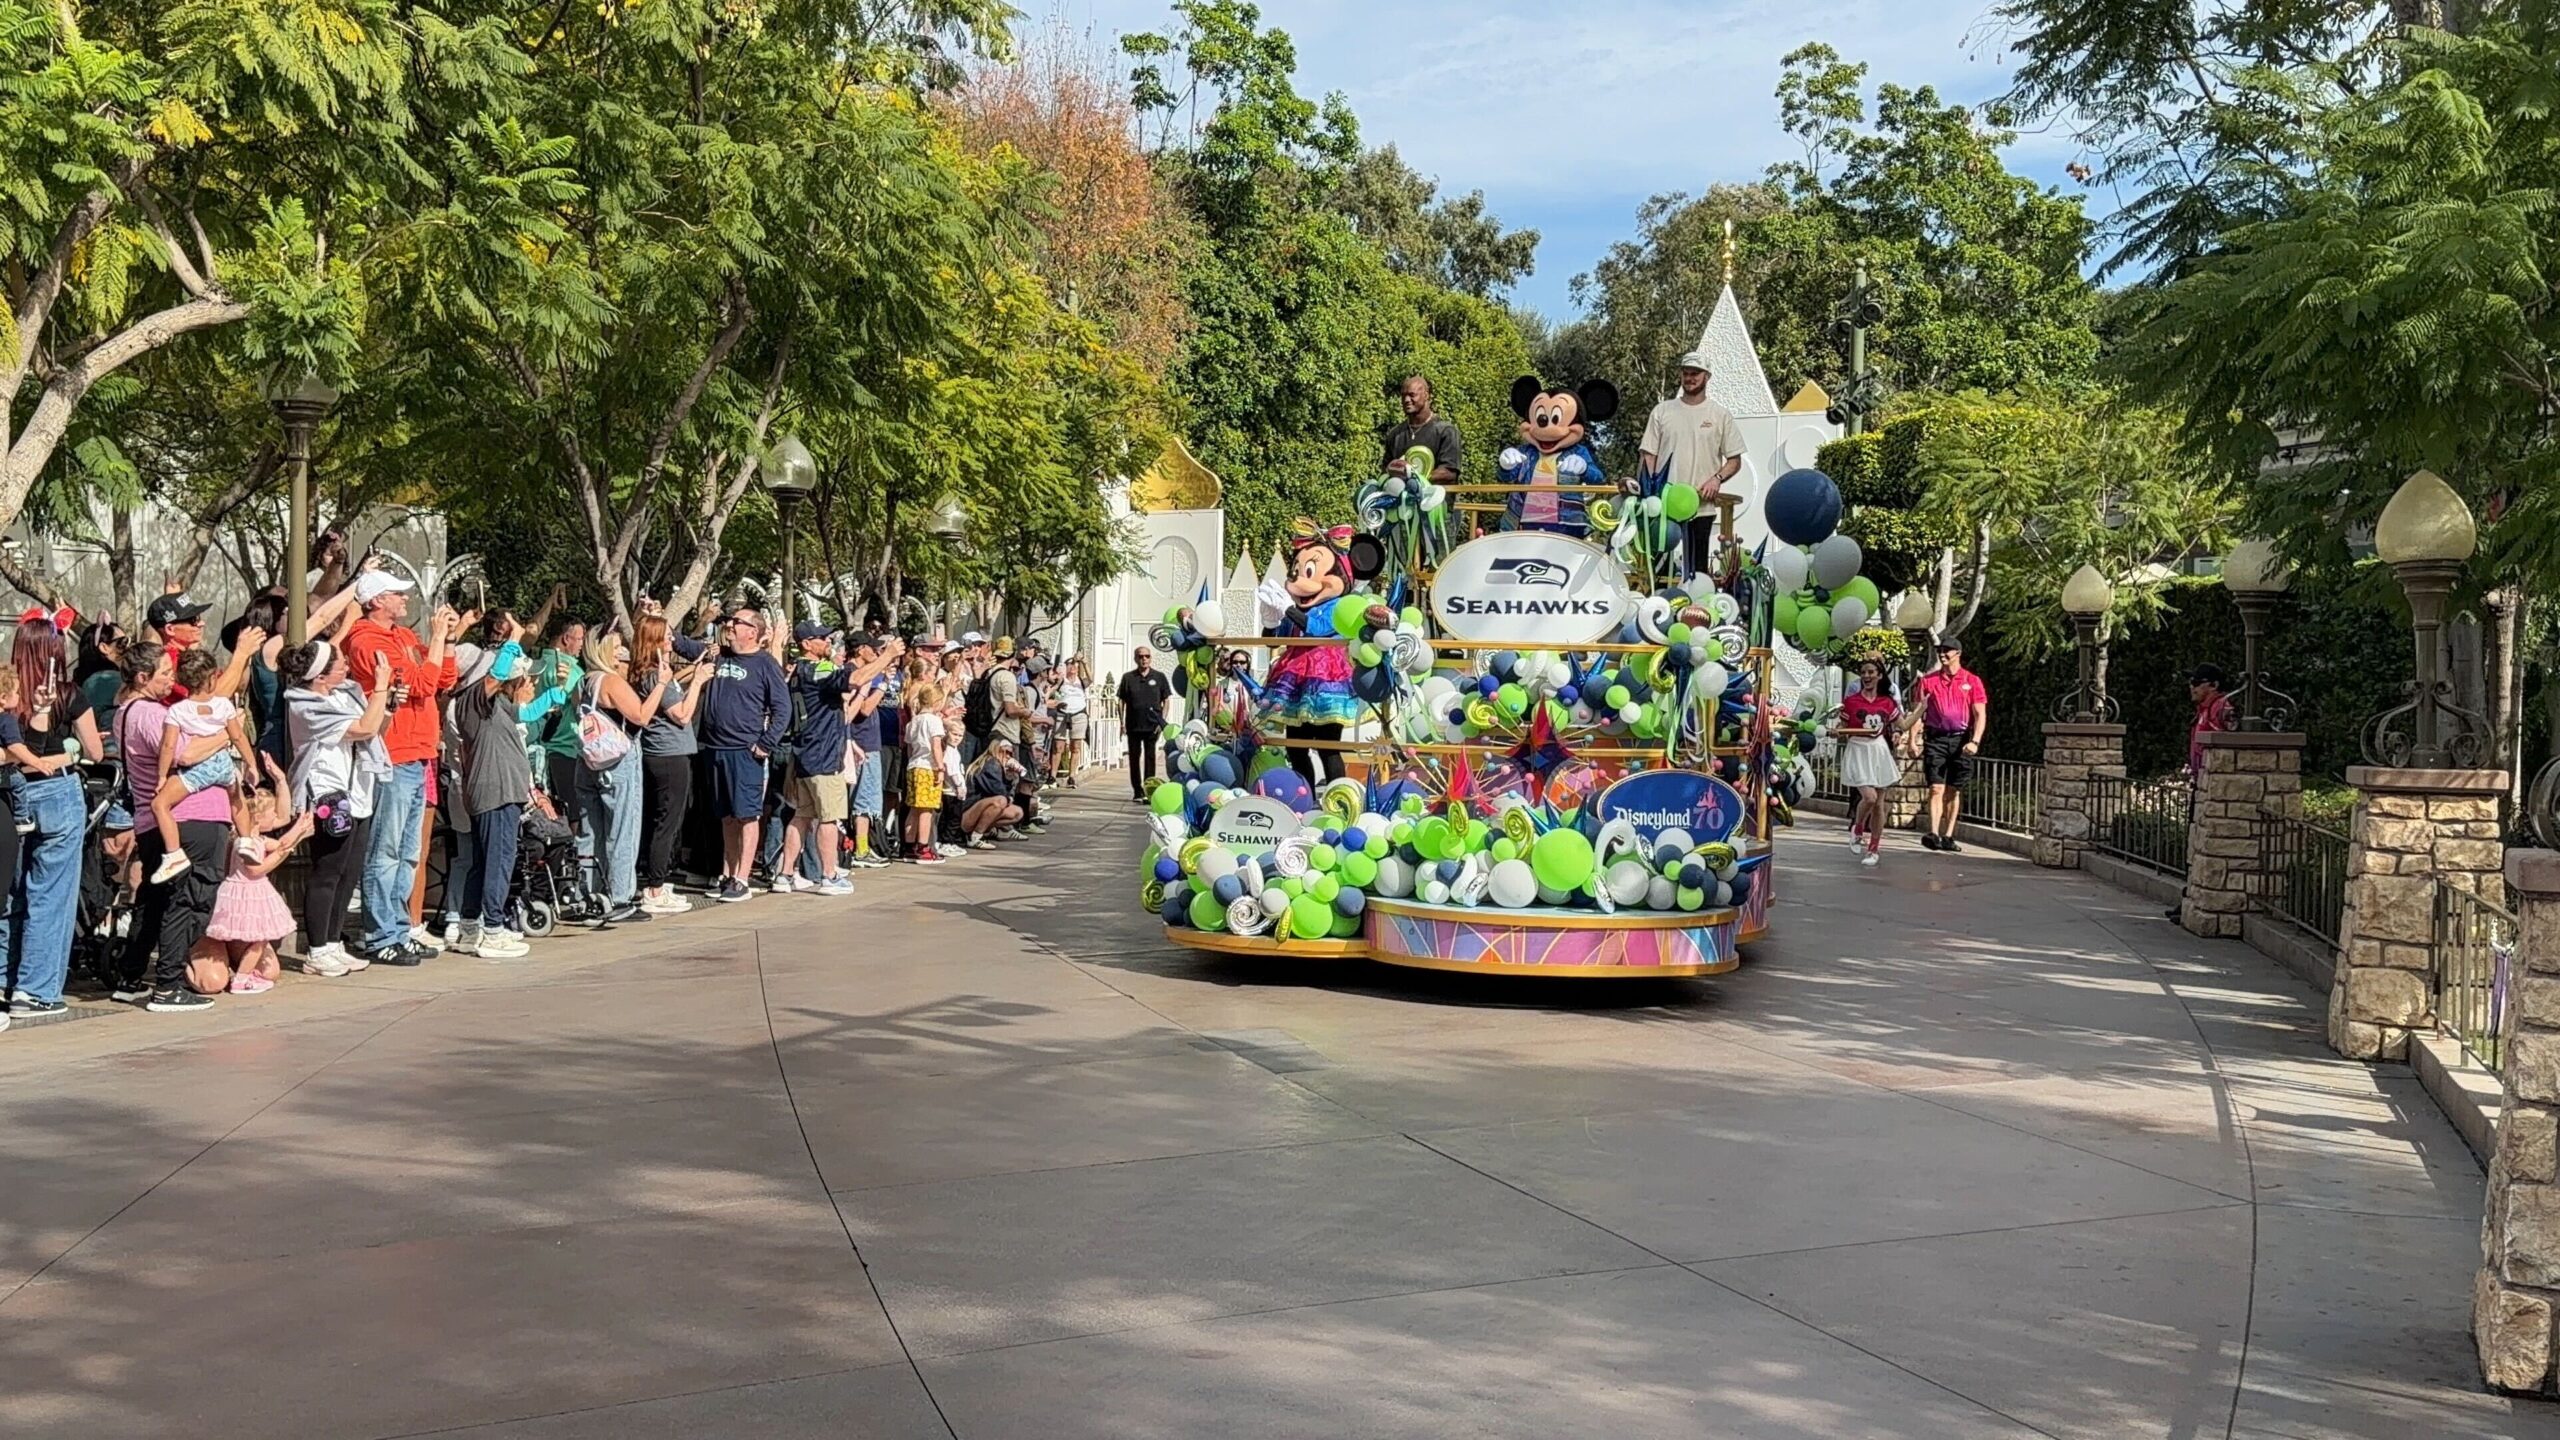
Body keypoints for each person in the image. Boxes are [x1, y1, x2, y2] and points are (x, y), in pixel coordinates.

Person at [344, 572, 458, 965]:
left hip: (418, 752)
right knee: (386, 849)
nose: (404, 598)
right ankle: (380, 934)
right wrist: (438, 641)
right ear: (376, 601)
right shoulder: (366, 640)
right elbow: (422, 684)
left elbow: (443, 677)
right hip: (392, 753)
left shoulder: (404, 637)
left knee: (408, 852)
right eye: (397, 593)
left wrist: (448, 640)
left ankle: (398, 926)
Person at [1, 617, 103, 1021]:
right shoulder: (67, 694)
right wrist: (71, 750)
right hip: (58, 793)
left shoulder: (7, 691)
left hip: (11, 794)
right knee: (51, 893)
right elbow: (95, 750)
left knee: (10, 893)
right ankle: (36, 988)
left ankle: (5, 979)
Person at [283, 637, 395, 976]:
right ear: (320, 676)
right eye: (340, 663)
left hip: (357, 789)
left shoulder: (343, 695)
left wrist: (386, 702)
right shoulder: (305, 705)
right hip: (327, 793)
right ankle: (316, 950)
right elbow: (362, 727)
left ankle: (333, 943)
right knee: (327, 870)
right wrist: (379, 687)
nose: (346, 667)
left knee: (350, 871)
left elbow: (375, 728)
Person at [452, 648, 570, 959]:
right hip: (496, 792)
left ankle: (470, 929)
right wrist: (509, 648)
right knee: (499, 861)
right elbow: (495, 678)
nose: (529, 681)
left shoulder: (500, 705)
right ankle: (492, 928)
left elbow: (528, 712)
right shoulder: (474, 702)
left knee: (484, 862)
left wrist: (556, 694)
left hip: (502, 792)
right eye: (525, 677)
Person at [144, 649, 258, 884]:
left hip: (199, 768)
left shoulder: (177, 711)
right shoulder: (224, 706)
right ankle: (246, 839)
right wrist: (251, 763)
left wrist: (162, 777)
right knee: (237, 800)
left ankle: (174, 853)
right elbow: (238, 737)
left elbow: (168, 746)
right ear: (213, 678)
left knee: (159, 804)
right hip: (223, 762)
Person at [699, 609, 790, 903]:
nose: (730, 625)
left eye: (737, 622)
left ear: (753, 631)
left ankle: (743, 878)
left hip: (745, 751)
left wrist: (765, 743)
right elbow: (681, 644)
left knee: (747, 814)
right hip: (715, 748)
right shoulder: (720, 655)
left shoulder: (765, 664)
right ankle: (729, 872)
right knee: (726, 815)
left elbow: (783, 709)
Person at [199, 762, 313, 995]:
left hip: (253, 895)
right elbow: (256, 869)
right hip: (243, 894)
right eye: (272, 815)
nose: (277, 819)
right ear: (259, 819)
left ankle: (240, 969)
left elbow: (281, 841)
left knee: (259, 943)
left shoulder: (258, 838)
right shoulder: (244, 842)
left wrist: (299, 831)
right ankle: (238, 977)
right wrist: (289, 845)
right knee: (256, 937)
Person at [773, 623, 860, 898]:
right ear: (806, 644)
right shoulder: (818, 669)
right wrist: (885, 656)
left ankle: (785, 873)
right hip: (822, 756)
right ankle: (829, 875)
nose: (827, 641)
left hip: (805, 754)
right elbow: (852, 681)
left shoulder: (797, 671)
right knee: (829, 818)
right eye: (820, 638)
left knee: (801, 816)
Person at [632, 615, 711, 913]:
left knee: (667, 819)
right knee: (667, 821)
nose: (672, 640)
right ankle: (654, 887)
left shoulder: (658, 673)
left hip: (667, 753)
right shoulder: (655, 676)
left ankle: (660, 882)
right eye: (666, 636)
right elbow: (681, 714)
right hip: (668, 755)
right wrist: (699, 682)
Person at [1639, 349, 1746, 562]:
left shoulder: (1720, 414)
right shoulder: (1662, 411)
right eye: (1686, 373)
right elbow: (1648, 455)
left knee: (1698, 572)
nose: (1690, 378)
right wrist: (1647, 491)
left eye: (1695, 373)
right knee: (1657, 569)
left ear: (1707, 376)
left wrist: (1716, 480)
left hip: (1701, 507)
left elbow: (1734, 461)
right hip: (1664, 506)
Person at [1904, 639, 1988, 854]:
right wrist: (1913, 740)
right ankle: (1933, 833)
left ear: (1958, 653)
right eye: (1939, 651)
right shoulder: (1928, 682)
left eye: (1946, 651)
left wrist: (1975, 741)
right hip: (1936, 739)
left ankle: (1948, 835)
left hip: (1961, 739)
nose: (1942, 655)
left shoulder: (1972, 681)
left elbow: (1980, 714)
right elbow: (1918, 714)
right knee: (1936, 787)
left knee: (1953, 790)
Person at [1833, 659, 1903, 867]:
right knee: (1869, 797)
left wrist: (1921, 709)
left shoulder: (1887, 702)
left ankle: (1873, 849)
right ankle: (1858, 827)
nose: (1867, 676)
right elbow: (1842, 725)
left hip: (1879, 749)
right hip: (1858, 748)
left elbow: (1901, 724)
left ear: (1879, 675)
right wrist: (1837, 730)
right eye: (1863, 672)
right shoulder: (1852, 701)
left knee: (1879, 804)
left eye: (1871, 672)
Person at [841, 635, 894, 867]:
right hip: (861, 742)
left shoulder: (866, 671)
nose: (876, 652)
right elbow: (863, 708)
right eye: (873, 648)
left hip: (870, 741)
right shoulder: (854, 672)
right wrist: (882, 684)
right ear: (860, 649)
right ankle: (861, 849)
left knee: (870, 799)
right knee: (863, 799)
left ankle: (865, 846)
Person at [1380, 375, 1462, 484]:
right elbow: (1385, 471)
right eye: (1403, 396)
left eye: (1412, 395)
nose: (1406, 400)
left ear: (1426, 395)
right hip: (1402, 500)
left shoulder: (1446, 431)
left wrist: (1413, 478)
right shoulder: (1395, 435)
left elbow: (1449, 472)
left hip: (1436, 499)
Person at [1116, 647, 1173, 803]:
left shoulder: (1159, 677)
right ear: (1136, 658)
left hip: (1152, 725)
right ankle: (1137, 791)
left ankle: (1149, 790)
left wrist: (1162, 721)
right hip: (1133, 724)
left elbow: (1166, 700)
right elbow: (1121, 700)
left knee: (1150, 757)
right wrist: (1121, 722)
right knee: (1134, 758)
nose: (1144, 659)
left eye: (1147, 656)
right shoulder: (1128, 678)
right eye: (1141, 656)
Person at [903, 681, 948, 864]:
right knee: (926, 809)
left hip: (914, 765)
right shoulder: (934, 721)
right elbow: (936, 745)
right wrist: (940, 767)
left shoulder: (913, 722)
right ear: (937, 702)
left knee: (914, 808)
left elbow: (909, 747)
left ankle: (908, 846)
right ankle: (923, 847)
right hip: (928, 767)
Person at [962, 740, 1028, 846]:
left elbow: (1007, 796)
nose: (1008, 756)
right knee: (1000, 801)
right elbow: (999, 792)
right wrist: (1009, 790)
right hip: (966, 812)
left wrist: (1010, 776)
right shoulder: (991, 763)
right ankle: (974, 837)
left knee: (1017, 813)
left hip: (976, 810)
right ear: (996, 750)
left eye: (1010, 753)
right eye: (1005, 752)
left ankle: (986, 830)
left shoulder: (998, 766)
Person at [1052, 658, 1090, 787]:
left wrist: (1084, 663)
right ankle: (1052, 775)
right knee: (1058, 746)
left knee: (1076, 746)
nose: (1072, 667)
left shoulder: (1081, 682)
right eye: (1069, 664)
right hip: (1063, 714)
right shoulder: (1063, 680)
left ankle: (1072, 775)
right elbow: (1055, 689)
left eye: (1075, 664)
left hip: (1078, 714)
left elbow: (1090, 679)